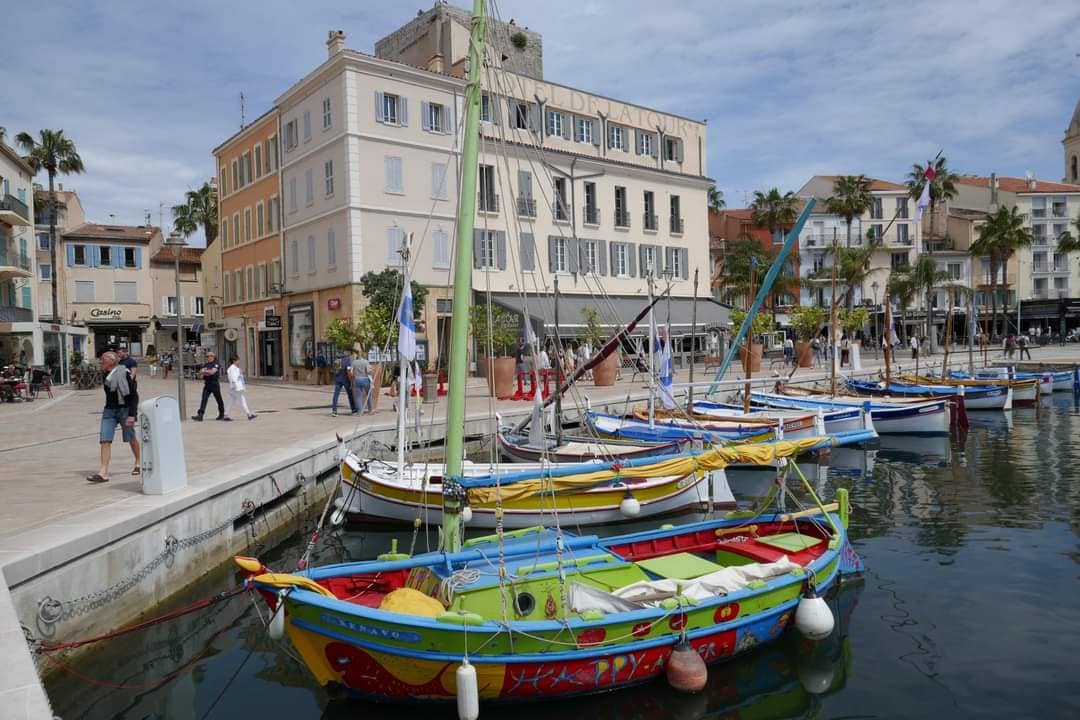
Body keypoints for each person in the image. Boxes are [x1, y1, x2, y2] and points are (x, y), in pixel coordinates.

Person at [87, 351, 140, 483]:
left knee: (130, 437)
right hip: (109, 410)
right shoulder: (107, 374)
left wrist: (132, 415)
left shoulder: (123, 373)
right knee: (105, 439)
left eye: (103, 359)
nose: (100, 362)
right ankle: (103, 472)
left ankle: (139, 461)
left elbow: (134, 395)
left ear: (111, 361)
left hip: (124, 409)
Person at [191, 350, 225, 421]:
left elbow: (212, 372)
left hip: (214, 384)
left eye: (210, 356)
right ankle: (200, 415)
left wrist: (205, 371)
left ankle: (221, 414)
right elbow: (200, 372)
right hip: (207, 384)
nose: (208, 357)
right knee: (204, 399)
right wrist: (206, 372)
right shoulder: (206, 364)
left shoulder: (216, 364)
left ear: (213, 356)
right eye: (207, 356)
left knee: (218, 399)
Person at [224, 355, 256, 421]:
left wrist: (240, 373)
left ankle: (226, 415)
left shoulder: (235, 368)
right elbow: (234, 378)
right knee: (242, 400)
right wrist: (237, 387)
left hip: (234, 388)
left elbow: (239, 376)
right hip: (236, 388)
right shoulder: (232, 369)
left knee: (231, 401)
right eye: (238, 360)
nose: (239, 361)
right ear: (234, 361)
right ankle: (249, 414)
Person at [330, 348, 357, 417]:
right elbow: (348, 370)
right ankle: (353, 409)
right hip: (345, 379)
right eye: (350, 353)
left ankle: (334, 411)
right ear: (347, 352)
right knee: (350, 394)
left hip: (337, 379)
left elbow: (333, 369)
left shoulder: (336, 359)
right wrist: (351, 380)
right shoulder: (347, 359)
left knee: (336, 395)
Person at [353, 347, 373, 413]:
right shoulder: (366, 362)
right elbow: (369, 371)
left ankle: (360, 411)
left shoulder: (354, 362)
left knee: (358, 396)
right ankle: (370, 409)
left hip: (357, 379)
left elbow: (351, 372)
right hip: (365, 379)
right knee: (369, 394)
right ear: (362, 354)